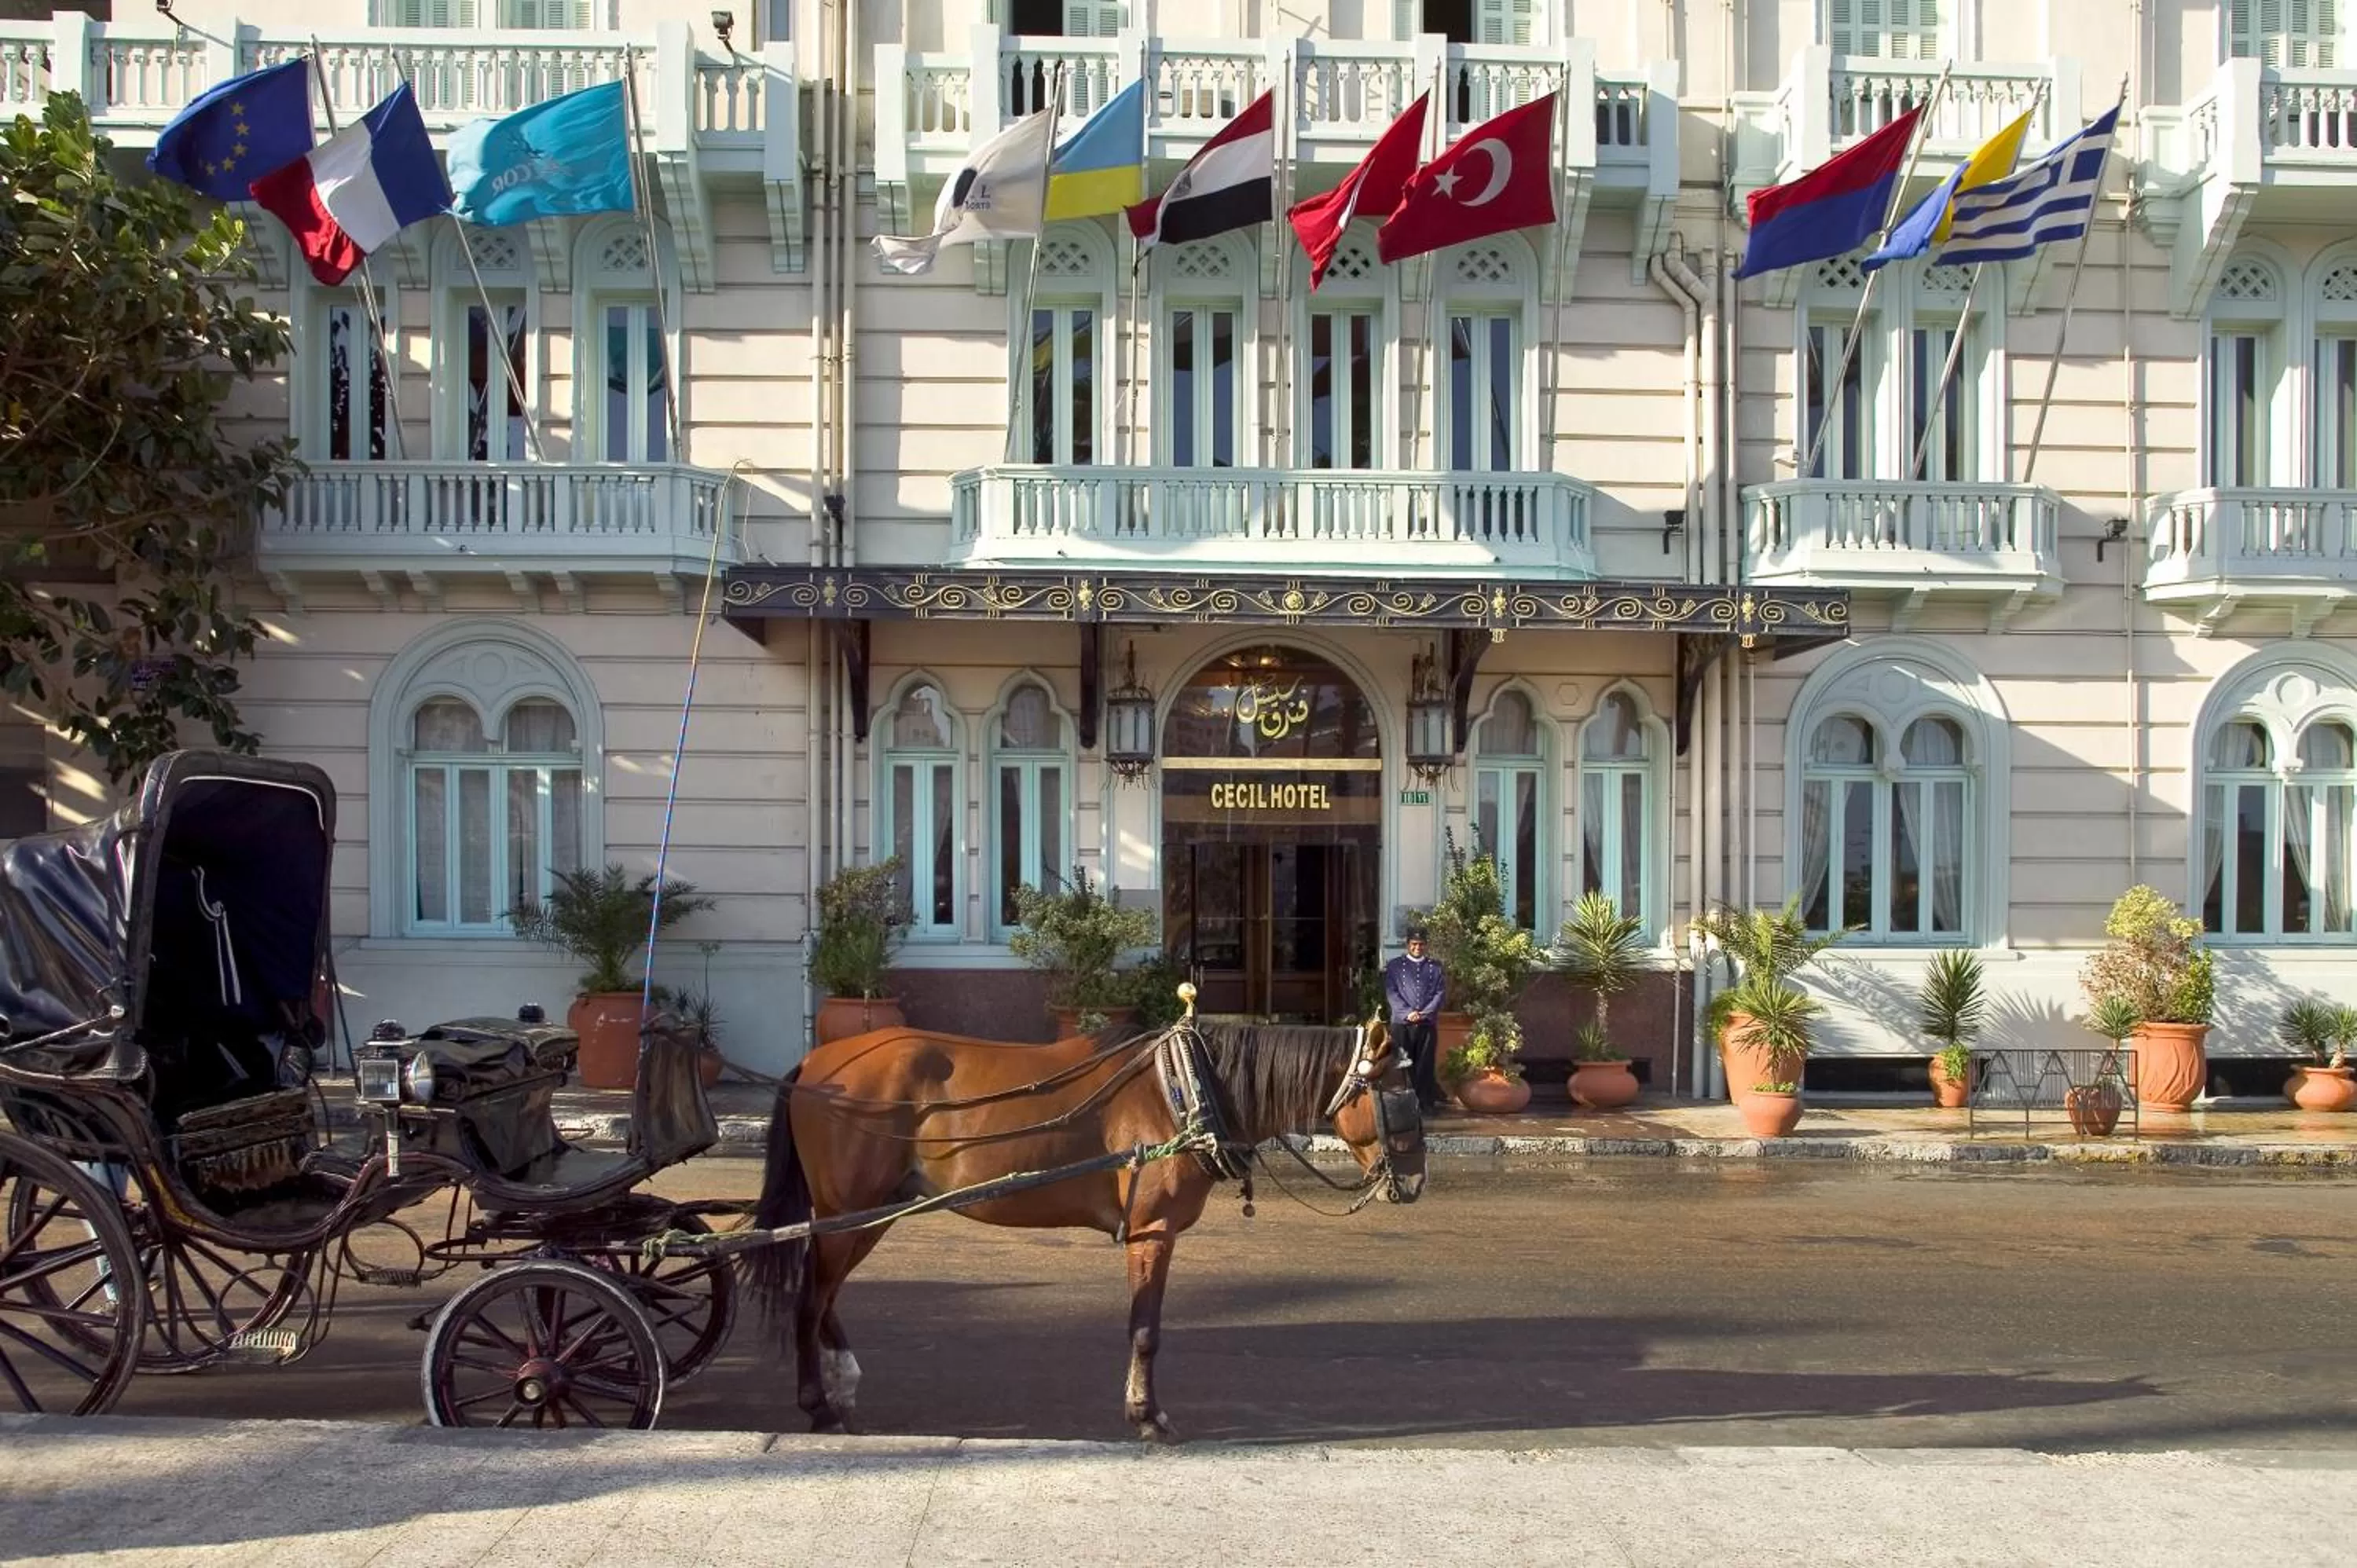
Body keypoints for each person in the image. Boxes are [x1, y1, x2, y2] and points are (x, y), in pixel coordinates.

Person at [1384, 925, 1446, 1112]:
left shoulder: (1435, 967)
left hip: (1426, 1023)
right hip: (1402, 1024)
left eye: (1421, 944)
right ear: (1407, 944)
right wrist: (1407, 1013)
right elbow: (1391, 992)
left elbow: (1440, 993)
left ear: (1426, 945)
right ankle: (1402, 1105)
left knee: (1425, 1064)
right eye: (1414, 944)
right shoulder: (1395, 966)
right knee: (1402, 1064)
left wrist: (1424, 1013)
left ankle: (1425, 1104)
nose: (1417, 947)